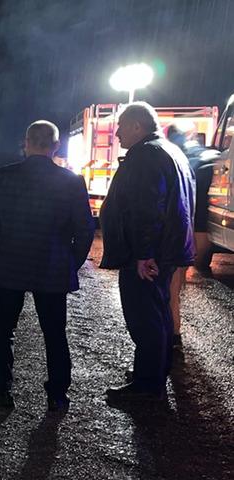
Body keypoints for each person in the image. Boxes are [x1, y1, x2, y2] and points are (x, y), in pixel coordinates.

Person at [0, 120, 95, 414]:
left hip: (8, 265)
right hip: (52, 267)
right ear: (55, 146)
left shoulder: (2, 177)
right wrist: (70, 262)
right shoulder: (71, 182)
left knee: (4, 330)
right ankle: (57, 395)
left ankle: (2, 392)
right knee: (55, 332)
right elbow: (84, 231)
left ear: (26, 142)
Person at [100, 102, 195, 403]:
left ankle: (147, 384)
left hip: (148, 255)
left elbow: (146, 208)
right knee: (160, 311)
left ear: (137, 127)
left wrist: (143, 253)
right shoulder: (171, 152)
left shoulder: (145, 156)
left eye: (121, 126)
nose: (116, 133)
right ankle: (155, 369)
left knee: (144, 317)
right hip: (167, 251)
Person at [165, 124, 219, 348]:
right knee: (177, 283)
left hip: (183, 227)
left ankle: (172, 335)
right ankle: (174, 332)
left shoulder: (174, 156)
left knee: (171, 286)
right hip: (199, 225)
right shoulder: (205, 155)